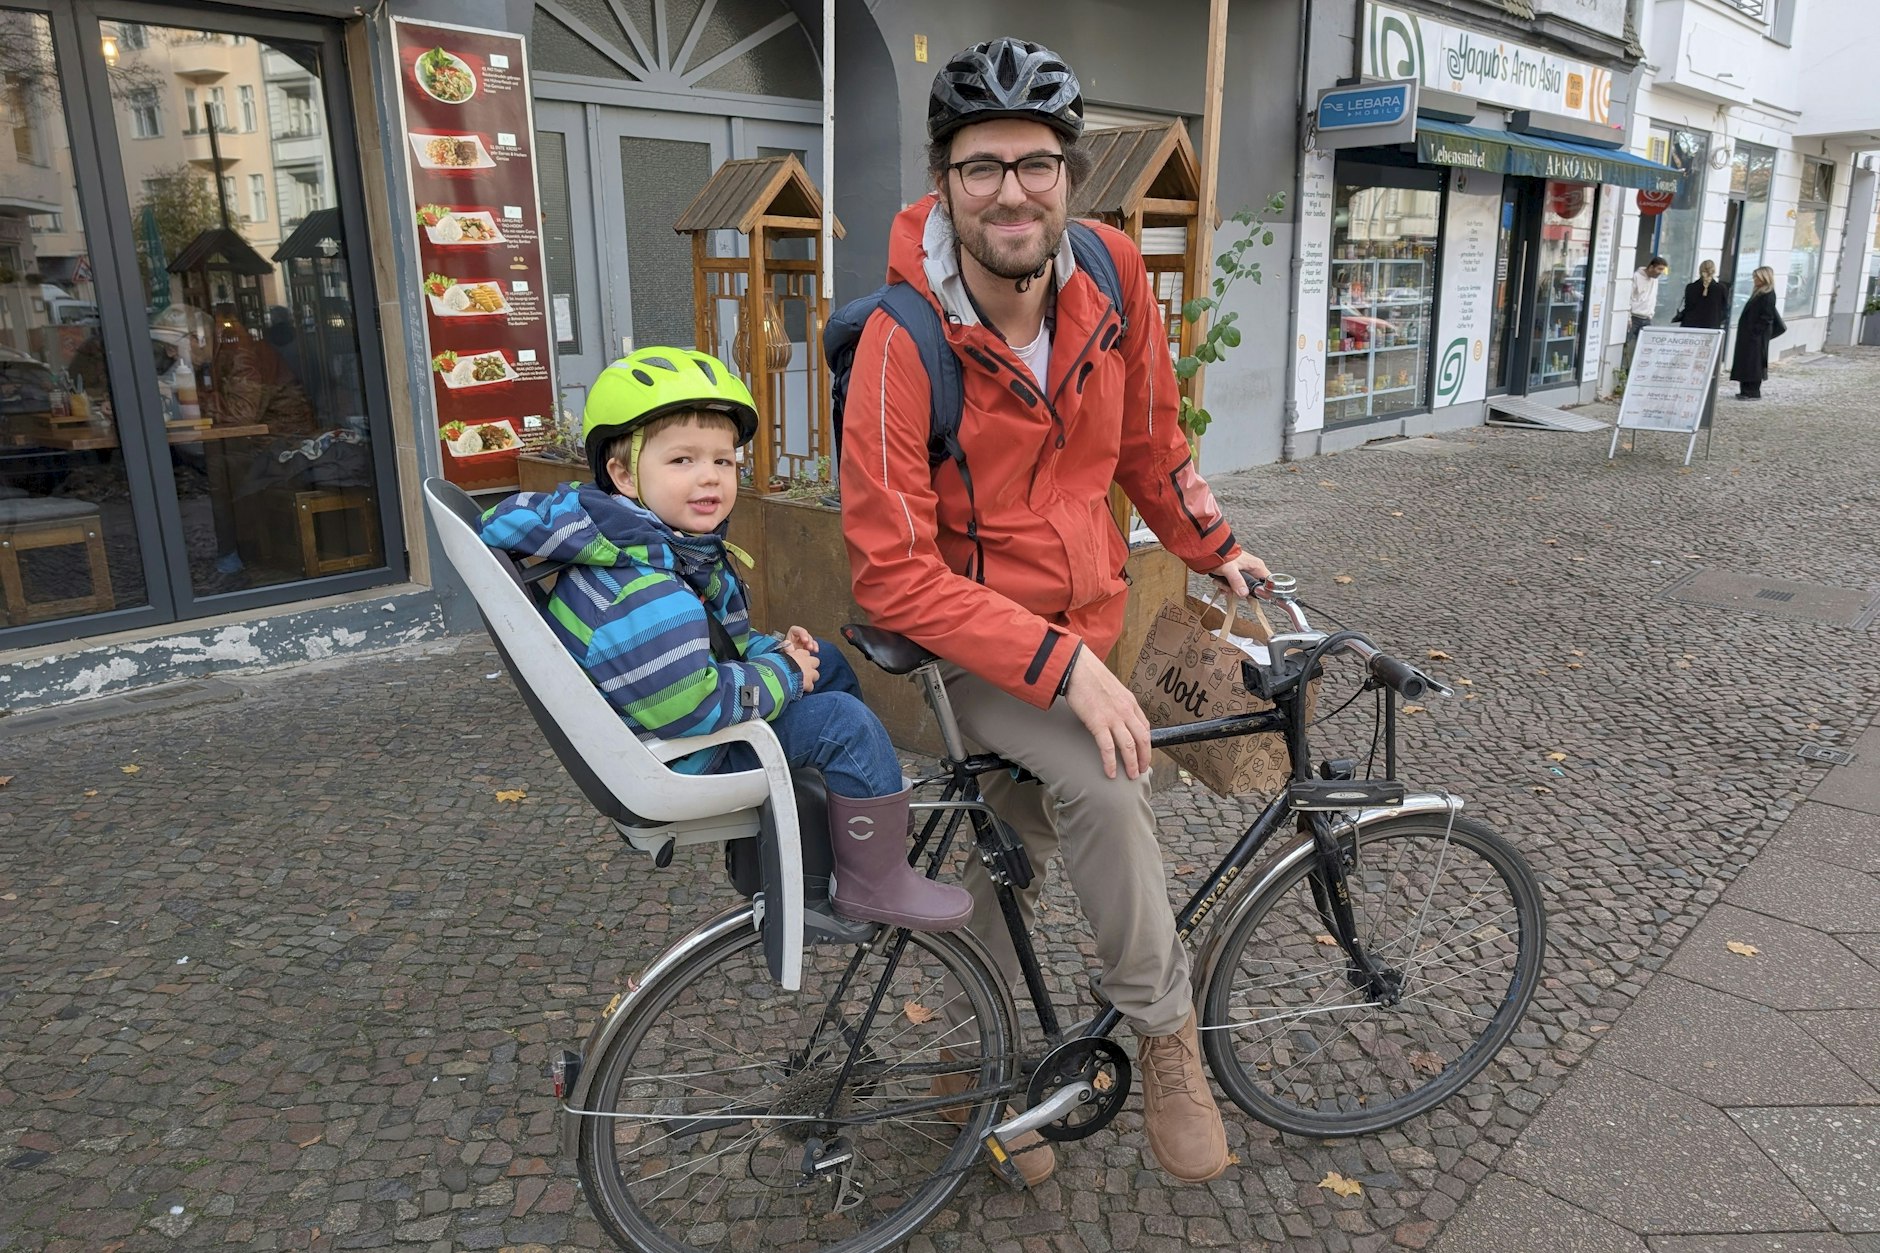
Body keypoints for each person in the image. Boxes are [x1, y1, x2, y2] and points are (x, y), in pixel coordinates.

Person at [838, 37, 1272, 1188]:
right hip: (964, 646)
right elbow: (891, 574)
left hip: (1081, 622)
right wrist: (1064, 668)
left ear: (1068, 175)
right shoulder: (900, 339)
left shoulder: (1114, 278)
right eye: (980, 168)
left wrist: (1214, 548)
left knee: (1006, 845)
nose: (1010, 192)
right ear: (943, 183)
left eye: (1034, 163)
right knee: (1101, 776)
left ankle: (978, 1065)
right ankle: (1167, 1036)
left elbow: (1150, 445)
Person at [479, 346, 973, 933]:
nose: (710, 476)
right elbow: (693, 705)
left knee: (828, 660)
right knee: (842, 722)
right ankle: (875, 879)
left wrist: (775, 653)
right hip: (686, 755)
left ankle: (856, 820)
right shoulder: (644, 586)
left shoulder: (632, 540)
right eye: (682, 459)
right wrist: (785, 675)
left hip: (667, 724)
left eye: (724, 460)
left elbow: (702, 650)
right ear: (622, 473)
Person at [1729, 266, 1786, 399]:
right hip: (1749, 334)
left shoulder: (1768, 294)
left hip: (1756, 336)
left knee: (1753, 362)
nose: (1754, 280)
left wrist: (1755, 332)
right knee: (1746, 361)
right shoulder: (1759, 292)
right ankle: (1745, 389)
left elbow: (1767, 317)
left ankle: (1752, 391)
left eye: (1756, 277)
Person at [1624, 254, 1669, 371]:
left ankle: (1640, 371)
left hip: (1647, 318)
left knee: (1646, 348)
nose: (1660, 273)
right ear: (1651, 267)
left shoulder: (1655, 280)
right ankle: (1624, 370)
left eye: (1662, 270)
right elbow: (1628, 297)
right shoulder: (1636, 277)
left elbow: (1653, 297)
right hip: (1634, 316)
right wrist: (1628, 317)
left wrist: (1651, 312)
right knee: (1626, 345)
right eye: (1659, 269)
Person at [1672, 259, 1729, 330]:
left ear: (1700, 271)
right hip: (1711, 327)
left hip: (1690, 326)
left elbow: (1688, 307)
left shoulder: (1690, 287)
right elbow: (1725, 310)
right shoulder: (1721, 288)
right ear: (1714, 271)